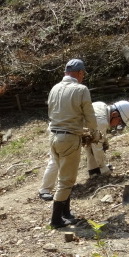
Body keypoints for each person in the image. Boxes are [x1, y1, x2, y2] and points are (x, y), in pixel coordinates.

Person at [43, 59, 99, 228]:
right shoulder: (81, 89)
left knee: (63, 176)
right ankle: (55, 220)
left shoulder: (54, 88)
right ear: (80, 73)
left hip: (53, 136)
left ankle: (66, 213)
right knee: (67, 180)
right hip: (69, 137)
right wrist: (94, 133)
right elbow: (90, 116)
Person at [38, 100, 129, 199]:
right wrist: (104, 168)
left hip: (65, 127)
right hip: (61, 131)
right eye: (119, 121)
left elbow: (94, 137)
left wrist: (103, 140)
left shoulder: (101, 105)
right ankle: (44, 189)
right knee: (56, 159)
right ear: (114, 114)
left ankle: (93, 170)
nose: (117, 124)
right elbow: (97, 148)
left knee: (89, 144)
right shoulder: (102, 121)